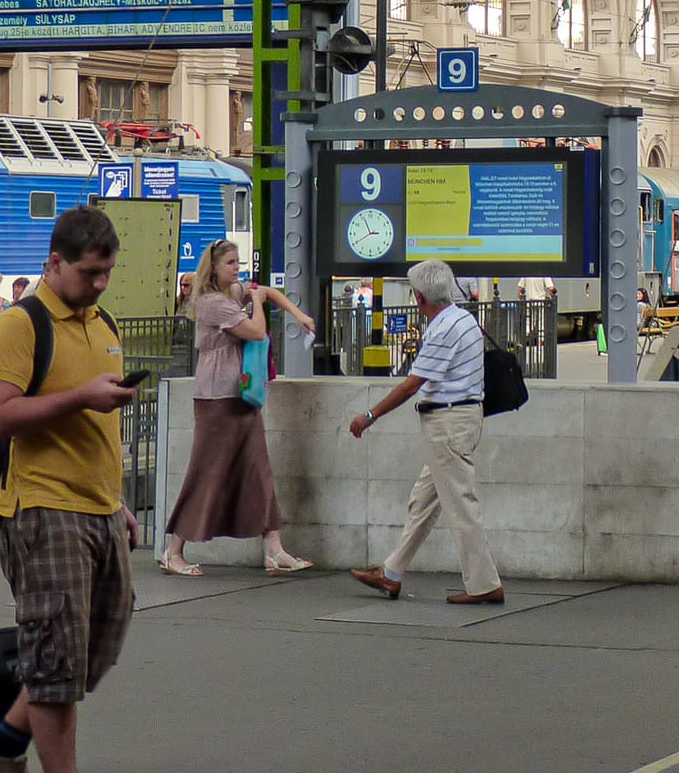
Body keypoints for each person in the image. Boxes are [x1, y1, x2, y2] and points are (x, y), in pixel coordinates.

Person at [0, 206, 140, 773]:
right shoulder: (21, 324)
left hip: (100, 508)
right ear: (54, 261)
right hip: (43, 509)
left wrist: (116, 503)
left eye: (107, 273)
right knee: (59, 664)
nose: (99, 284)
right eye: (90, 273)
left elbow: (99, 432)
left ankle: (2, 748)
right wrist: (80, 398)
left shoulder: (105, 323)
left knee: (91, 648)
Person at [348, 258, 503, 605]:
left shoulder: (443, 329)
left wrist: (370, 415)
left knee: (460, 506)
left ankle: (483, 583)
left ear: (418, 297)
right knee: (423, 501)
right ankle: (392, 573)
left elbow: (412, 384)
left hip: (447, 425)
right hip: (458, 421)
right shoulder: (463, 319)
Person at [159, 239, 315, 576]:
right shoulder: (211, 303)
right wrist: (257, 304)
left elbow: (267, 292)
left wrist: (297, 313)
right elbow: (257, 332)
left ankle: (274, 549)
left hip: (242, 395)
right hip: (217, 399)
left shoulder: (232, 293)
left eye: (238, 261)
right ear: (214, 267)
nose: (237, 267)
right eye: (231, 262)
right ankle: (174, 550)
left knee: (259, 469)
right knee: (207, 471)